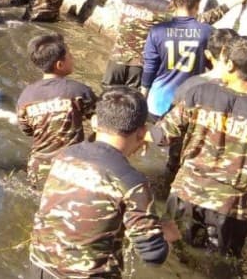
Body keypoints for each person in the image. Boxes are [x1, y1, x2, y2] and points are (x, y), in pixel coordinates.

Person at [152, 34, 247, 257]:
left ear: (230, 64)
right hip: (230, 209)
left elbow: (162, 135)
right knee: (220, 263)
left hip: (185, 195)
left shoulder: (200, 93)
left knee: (172, 254)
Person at [30, 87, 179, 278]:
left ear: (94, 122)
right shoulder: (132, 183)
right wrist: (166, 234)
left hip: (39, 266)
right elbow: (153, 255)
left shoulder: (66, 155)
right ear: (142, 132)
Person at [102, 0, 246, 89]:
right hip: (138, 67)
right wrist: (232, 3)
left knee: (106, 100)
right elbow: (200, 20)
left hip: (115, 62)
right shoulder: (163, 8)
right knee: (133, 103)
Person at [16, 33, 97, 190]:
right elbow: (100, 120)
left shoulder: (25, 97)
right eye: (70, 56)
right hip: (72, 166)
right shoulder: (79, 91)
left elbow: (26, 130)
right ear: (60, 65)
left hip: (38, 168)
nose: (73, 58)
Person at [161, 28, 238, 175]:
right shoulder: (243, 91)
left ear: (208, 54)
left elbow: (172, 127)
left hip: (186, 166)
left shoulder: (191, 85)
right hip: (225, 169)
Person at [141, 0, 213, 120]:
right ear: (197, 5)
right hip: (187, 106)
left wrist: (143, 96)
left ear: (173, 3)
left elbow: (150, 66)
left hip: (157, 102)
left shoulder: (157, 31)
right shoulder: (208, 32)